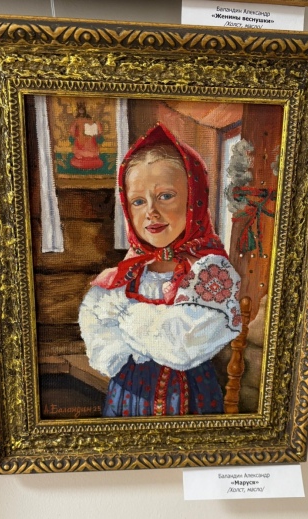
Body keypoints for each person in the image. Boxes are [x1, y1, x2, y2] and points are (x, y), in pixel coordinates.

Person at [79, 123, 241, 417]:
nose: (151, 212)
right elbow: (97, 332)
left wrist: (124, 316)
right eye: (138, 201)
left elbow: (181, 346)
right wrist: (142, 331)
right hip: (126, 395)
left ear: (194, 199)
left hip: (188, 397)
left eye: (165, 196)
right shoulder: (128, 271)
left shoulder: (210, 269)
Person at [69, 102, 103, 170]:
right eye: (80, 109)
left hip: (89, 139)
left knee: (90, 149)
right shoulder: (77, 120)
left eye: (82, 109)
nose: (81, 111)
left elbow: (97, 129)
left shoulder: (89, 119)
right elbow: (72, 130)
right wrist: (75, 135)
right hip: (81, 139)